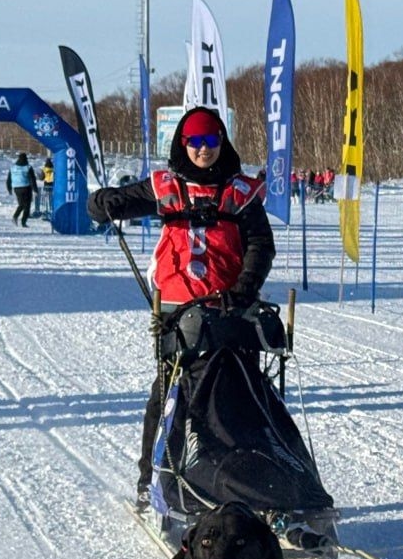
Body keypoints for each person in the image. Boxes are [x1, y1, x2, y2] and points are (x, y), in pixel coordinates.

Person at [87, 107, 276, 509]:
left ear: (222, 142)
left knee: (237, 395)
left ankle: (245, 482)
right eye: (195, 142)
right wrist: (101, 202)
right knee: (170, 397)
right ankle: (151, 478)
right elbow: (120, 202)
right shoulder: (166, 186)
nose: (204, 150)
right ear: (183, 144)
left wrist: (243, 290)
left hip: (230, 310)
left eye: (211, 141)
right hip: (177, 309)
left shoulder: (241, 193)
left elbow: (261, 245)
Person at [5, 153, 37, 227]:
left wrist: (9, 188)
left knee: (21, 204)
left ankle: (16, 217)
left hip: (16, 188)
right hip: (26, 187)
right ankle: (22, 222)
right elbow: (32, 179)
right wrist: (35, 190)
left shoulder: (13, 167)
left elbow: (8, 179)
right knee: (27, 205)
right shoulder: (28, 167)